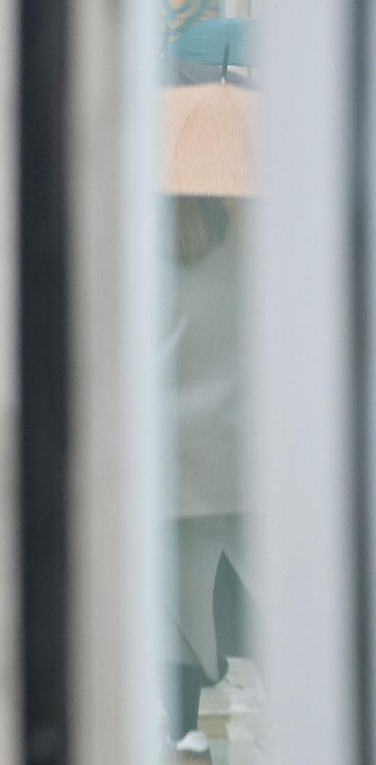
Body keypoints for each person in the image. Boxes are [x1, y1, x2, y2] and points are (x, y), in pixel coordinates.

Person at [163, 196, 259, 761]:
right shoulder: (250, 234)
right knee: (276, 599)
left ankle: (185, 734)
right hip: (243, 447)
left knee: (185, 608)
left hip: (176, 453)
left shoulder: (144, 244)